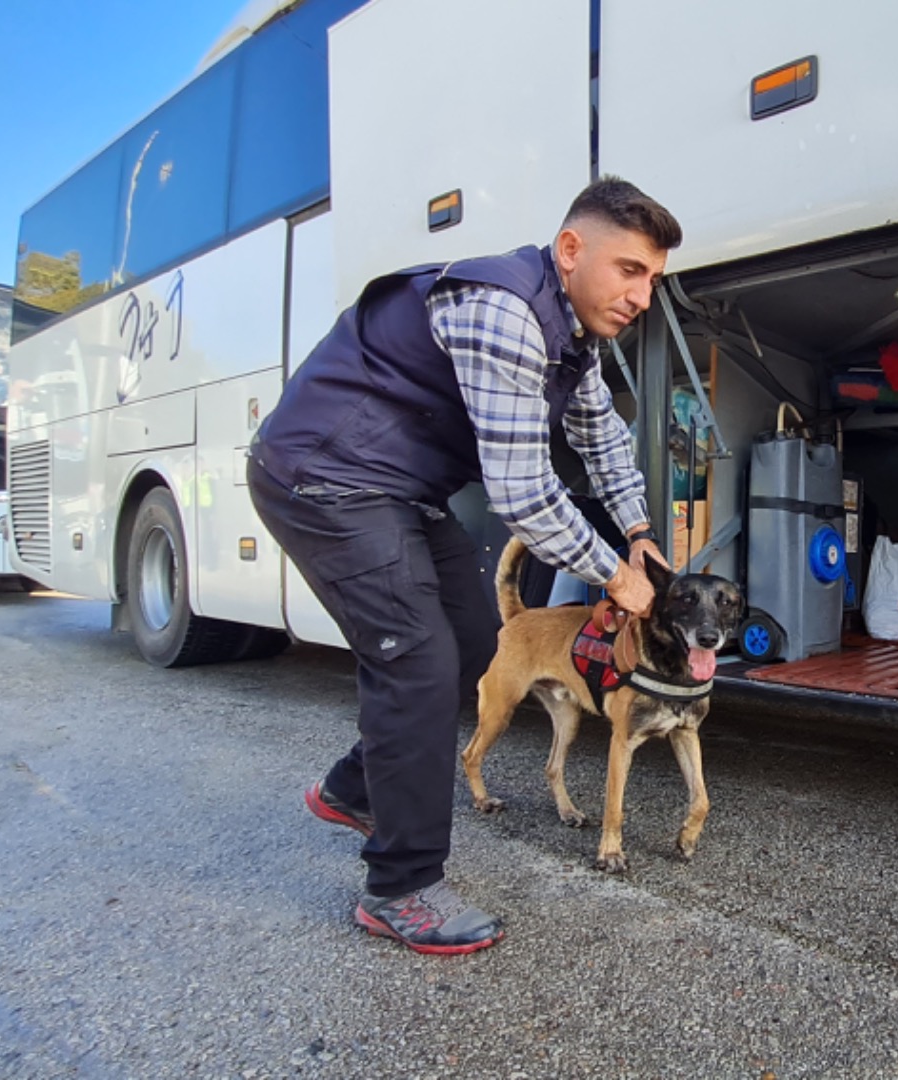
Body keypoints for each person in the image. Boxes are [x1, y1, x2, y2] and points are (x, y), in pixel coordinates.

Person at [246, 176, 682, 955]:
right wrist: (619, 578)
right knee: (416, 659)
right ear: (572, 250)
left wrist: (641, 531)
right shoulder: (506, 311)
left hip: (398, 489)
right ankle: (400, 888)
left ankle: (352, 789)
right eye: (630, 270)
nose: (643, 296)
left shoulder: (574, 343)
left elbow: (603, 440)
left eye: (653, 279)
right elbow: (523, 493)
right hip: (325, 476)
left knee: (480, 642)